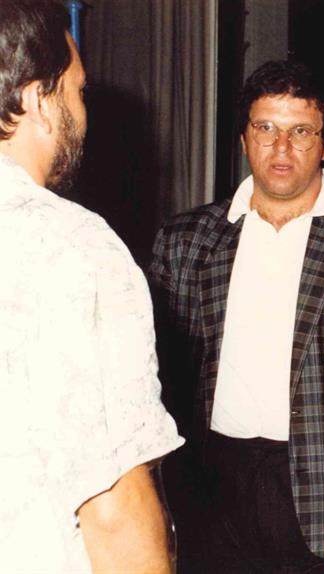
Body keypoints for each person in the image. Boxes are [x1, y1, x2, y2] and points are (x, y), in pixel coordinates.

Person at [148, 60, 324, 574]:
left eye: (301, 131)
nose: (281, 147)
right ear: (243, 138)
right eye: (266, 128)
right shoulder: (186, 239)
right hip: (209, 494)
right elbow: (157, 386)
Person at [0, 1, 184, 571]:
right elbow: (112, 503)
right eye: (78, 92)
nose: (83, 112)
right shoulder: (73, 245)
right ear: (38, 101)